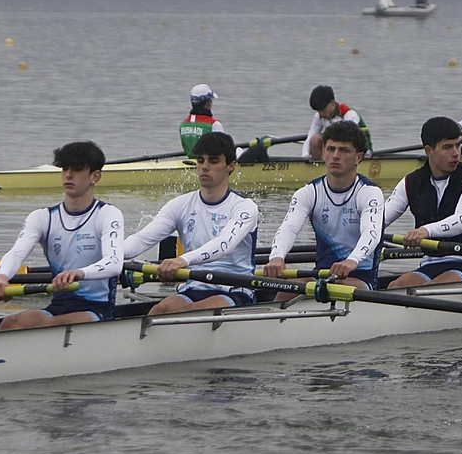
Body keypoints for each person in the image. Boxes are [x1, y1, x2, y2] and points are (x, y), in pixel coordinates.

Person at [0, 141, 124, 330]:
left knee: (53, 326)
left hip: (98, 310)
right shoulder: (42, 217)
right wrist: (1, 277)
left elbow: (114, 263)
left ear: (95, 176)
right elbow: (16, 253)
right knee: (11, 323)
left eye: (76, 169)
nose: (68, 175)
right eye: (65, 168)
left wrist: (80, 273)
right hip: (58, 306)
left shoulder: (107, 214)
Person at [121, 132, 260, 312]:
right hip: (194, 287)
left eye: (214, 161)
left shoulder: (244, 207)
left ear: (231, 166)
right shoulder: (181, 204)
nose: (205, 167)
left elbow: (223, 244)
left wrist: (181, 260)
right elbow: (142, 239)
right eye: (200, 160)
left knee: (194, 310)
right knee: (158, 311)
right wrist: (109, 256)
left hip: (234, 288)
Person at [265, 121, 384, 298]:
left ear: (358, 157)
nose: (335, 155)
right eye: (331, 149)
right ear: (323, 153)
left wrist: (352, 260)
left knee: (329, 288)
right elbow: (289, 228)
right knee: (285, 291)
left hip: (359, 278)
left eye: (344, 150)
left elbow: (371, 233)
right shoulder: (308, 192)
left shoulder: (369, 193)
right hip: (322, 275)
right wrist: (276, 257)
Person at [384, 116, 462, 288]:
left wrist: (425, 231)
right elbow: (379, 220)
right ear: (429, 150)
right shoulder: (411, 182)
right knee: (395, 287)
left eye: (458, 145)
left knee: (437, 287)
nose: (456, 153)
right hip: (431, 262)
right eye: (447, 147)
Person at [303, 84, 372, 159]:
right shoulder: (319, 115)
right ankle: (321, 166)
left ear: (332, 103)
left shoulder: (349, 114)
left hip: (361, 151)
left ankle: (328, 166)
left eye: (323, 110)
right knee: (315, 139)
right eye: (318, 111)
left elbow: (346, 141)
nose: (320, 114)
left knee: (334, 143)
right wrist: (305, 156)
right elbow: (310, 137)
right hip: (339, 148)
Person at [179, 84, 224, 156]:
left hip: (192, 160)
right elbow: (223, 151)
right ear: (208, 103)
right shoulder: (214, 125)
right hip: (209, 164)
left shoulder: (183, 125)